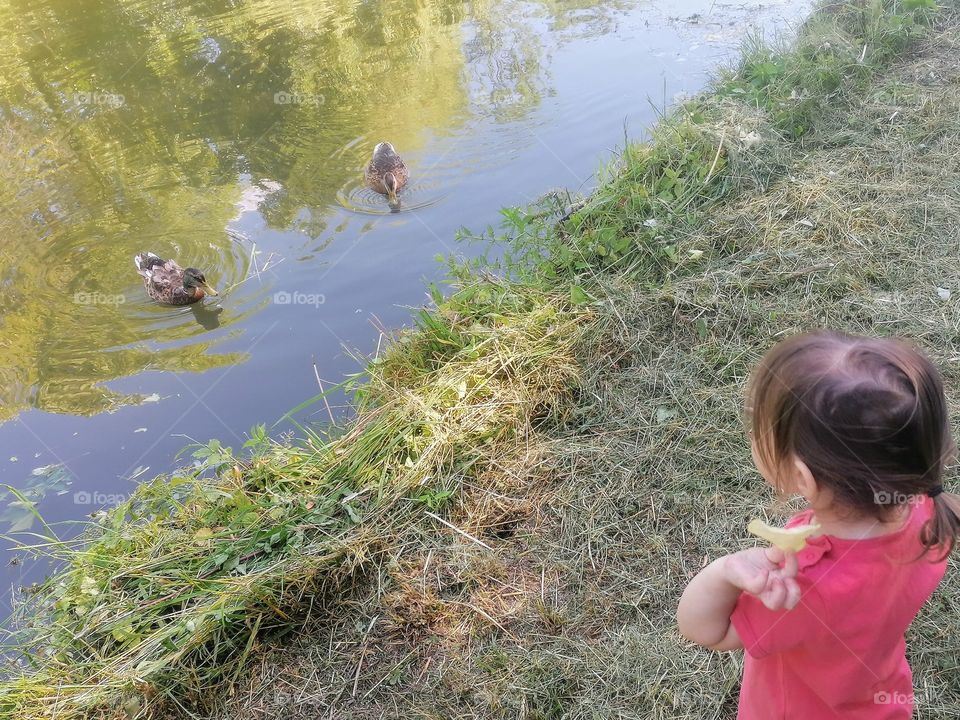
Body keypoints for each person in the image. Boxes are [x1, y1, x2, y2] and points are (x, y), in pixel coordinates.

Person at [677, 330, 960, 718]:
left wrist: (724, 571)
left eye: (759, 427)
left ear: (802, 477)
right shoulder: (929, 512)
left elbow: (708, 631)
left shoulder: (804, 582)